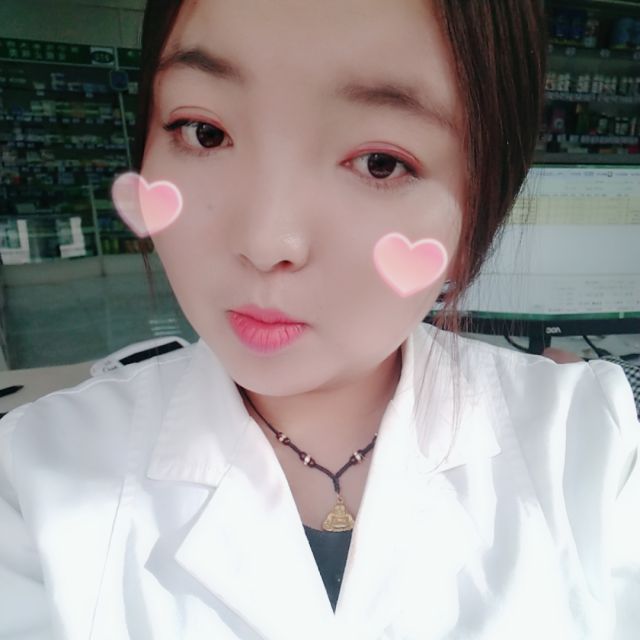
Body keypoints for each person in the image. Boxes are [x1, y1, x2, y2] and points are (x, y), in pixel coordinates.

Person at [1, 1, 638, 639]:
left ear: (479, 210)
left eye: (380, 162)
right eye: (204, 132)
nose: (265, 242)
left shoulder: (591, 449)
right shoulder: (33, 480)